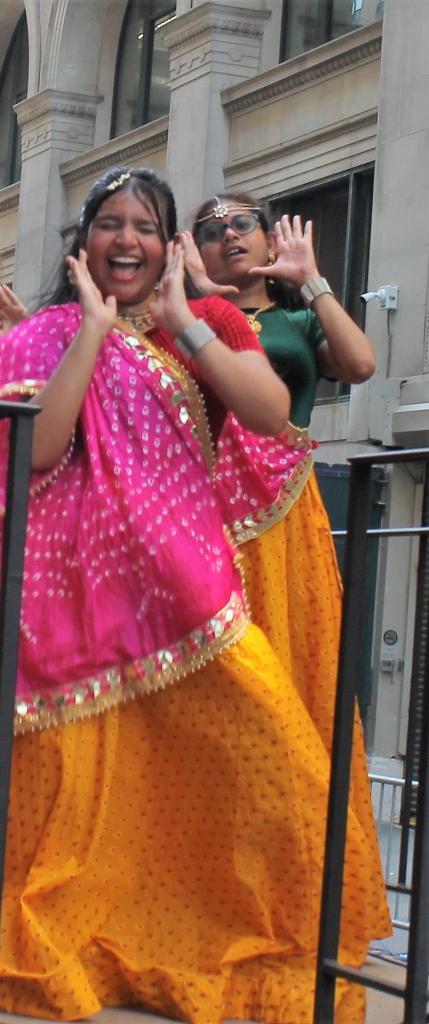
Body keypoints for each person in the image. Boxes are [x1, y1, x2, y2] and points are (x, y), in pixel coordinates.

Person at [0, 167, 389, 1023]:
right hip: (68, 603)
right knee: (80, 789)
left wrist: (185, 321)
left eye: (146, 225)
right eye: (111, 222)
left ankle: (254, 930)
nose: (128, 240)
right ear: (84, 240)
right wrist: (91, 335)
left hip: (186, 594)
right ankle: (98, 936)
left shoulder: (210, 320)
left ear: (170, 245)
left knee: (277, 758)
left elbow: (270, 413)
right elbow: (37, 453)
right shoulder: (43, 336)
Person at [184, 193, 376, 749]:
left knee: (286, 647)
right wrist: (198, 297)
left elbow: (360, 364)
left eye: (242, 224)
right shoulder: (185, 322)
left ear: (270, 241)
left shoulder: (297, 323)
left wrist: (312, 280)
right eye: (211, 231)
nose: (228, 235)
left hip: (282, 514)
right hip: (200, 513)